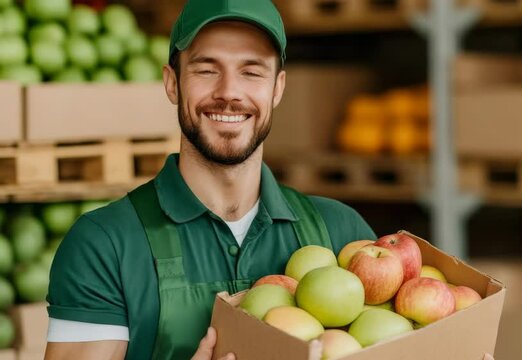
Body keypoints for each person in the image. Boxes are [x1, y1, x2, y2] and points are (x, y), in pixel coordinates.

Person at [44, 0, 376, 359]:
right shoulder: (105, 246)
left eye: (252, 72)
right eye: (206, 70)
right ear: (172, 83)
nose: (229, 92)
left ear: (277, 88)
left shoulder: (342, 233)